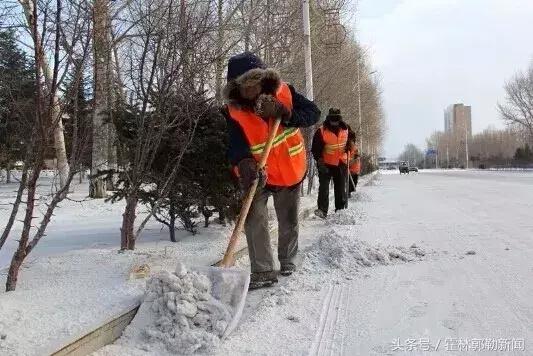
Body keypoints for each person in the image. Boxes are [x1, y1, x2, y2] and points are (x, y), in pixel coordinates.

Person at [222, 52, 320, 289]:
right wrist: (244, 162)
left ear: (264, 80)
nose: (252, 91)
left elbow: (313, 114)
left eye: (256, 83)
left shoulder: (285, 93)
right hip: (258, 173)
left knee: (288, 220)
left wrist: (285, 113)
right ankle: (263, 270)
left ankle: (288, 259)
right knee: (253, 218)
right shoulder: (233, 112)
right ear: (236, 89)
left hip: (289, 169)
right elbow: (235, 144)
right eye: (246, 87)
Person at [312, 108, 349, 218]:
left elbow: (350, 141)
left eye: (336, 118)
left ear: (340, 118)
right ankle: (322, 210)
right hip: (326, 164)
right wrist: (320, 162)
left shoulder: (345, 129)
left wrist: (349, 147)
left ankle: (340, 210)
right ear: (328, 118)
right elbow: (316, 149)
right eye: (332, 119)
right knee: (324, 187)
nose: (334, 121)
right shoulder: (321, 131)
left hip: (341, 162)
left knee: (341, 187)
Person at [346, 128, 361, 197]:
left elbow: (356, 154)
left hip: (354, 168)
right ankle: (348, 193)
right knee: (349, 183)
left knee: (353, 183)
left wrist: (356, 157)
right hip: (349, 167)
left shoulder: (354, 145)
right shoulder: (348, 144)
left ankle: (349, 193)